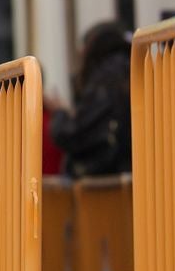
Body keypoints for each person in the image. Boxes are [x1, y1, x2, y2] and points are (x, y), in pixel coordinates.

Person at [47, 21, 132, 178]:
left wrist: (60, 113)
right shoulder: (135, 70)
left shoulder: (107, 80)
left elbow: (73, 134)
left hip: (109, 181)